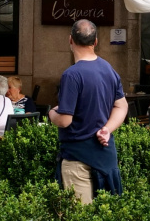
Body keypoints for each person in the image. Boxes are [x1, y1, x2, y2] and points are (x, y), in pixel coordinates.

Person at [48, 20, 127, 204]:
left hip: (77, 158)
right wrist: (107, 129)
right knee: (105, 220)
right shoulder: (109, 69)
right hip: (106, 157)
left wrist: (52, 113)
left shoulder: (72, 75)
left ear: (70, 40)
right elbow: (121, 106)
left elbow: (65, 120)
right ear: (96, 42)